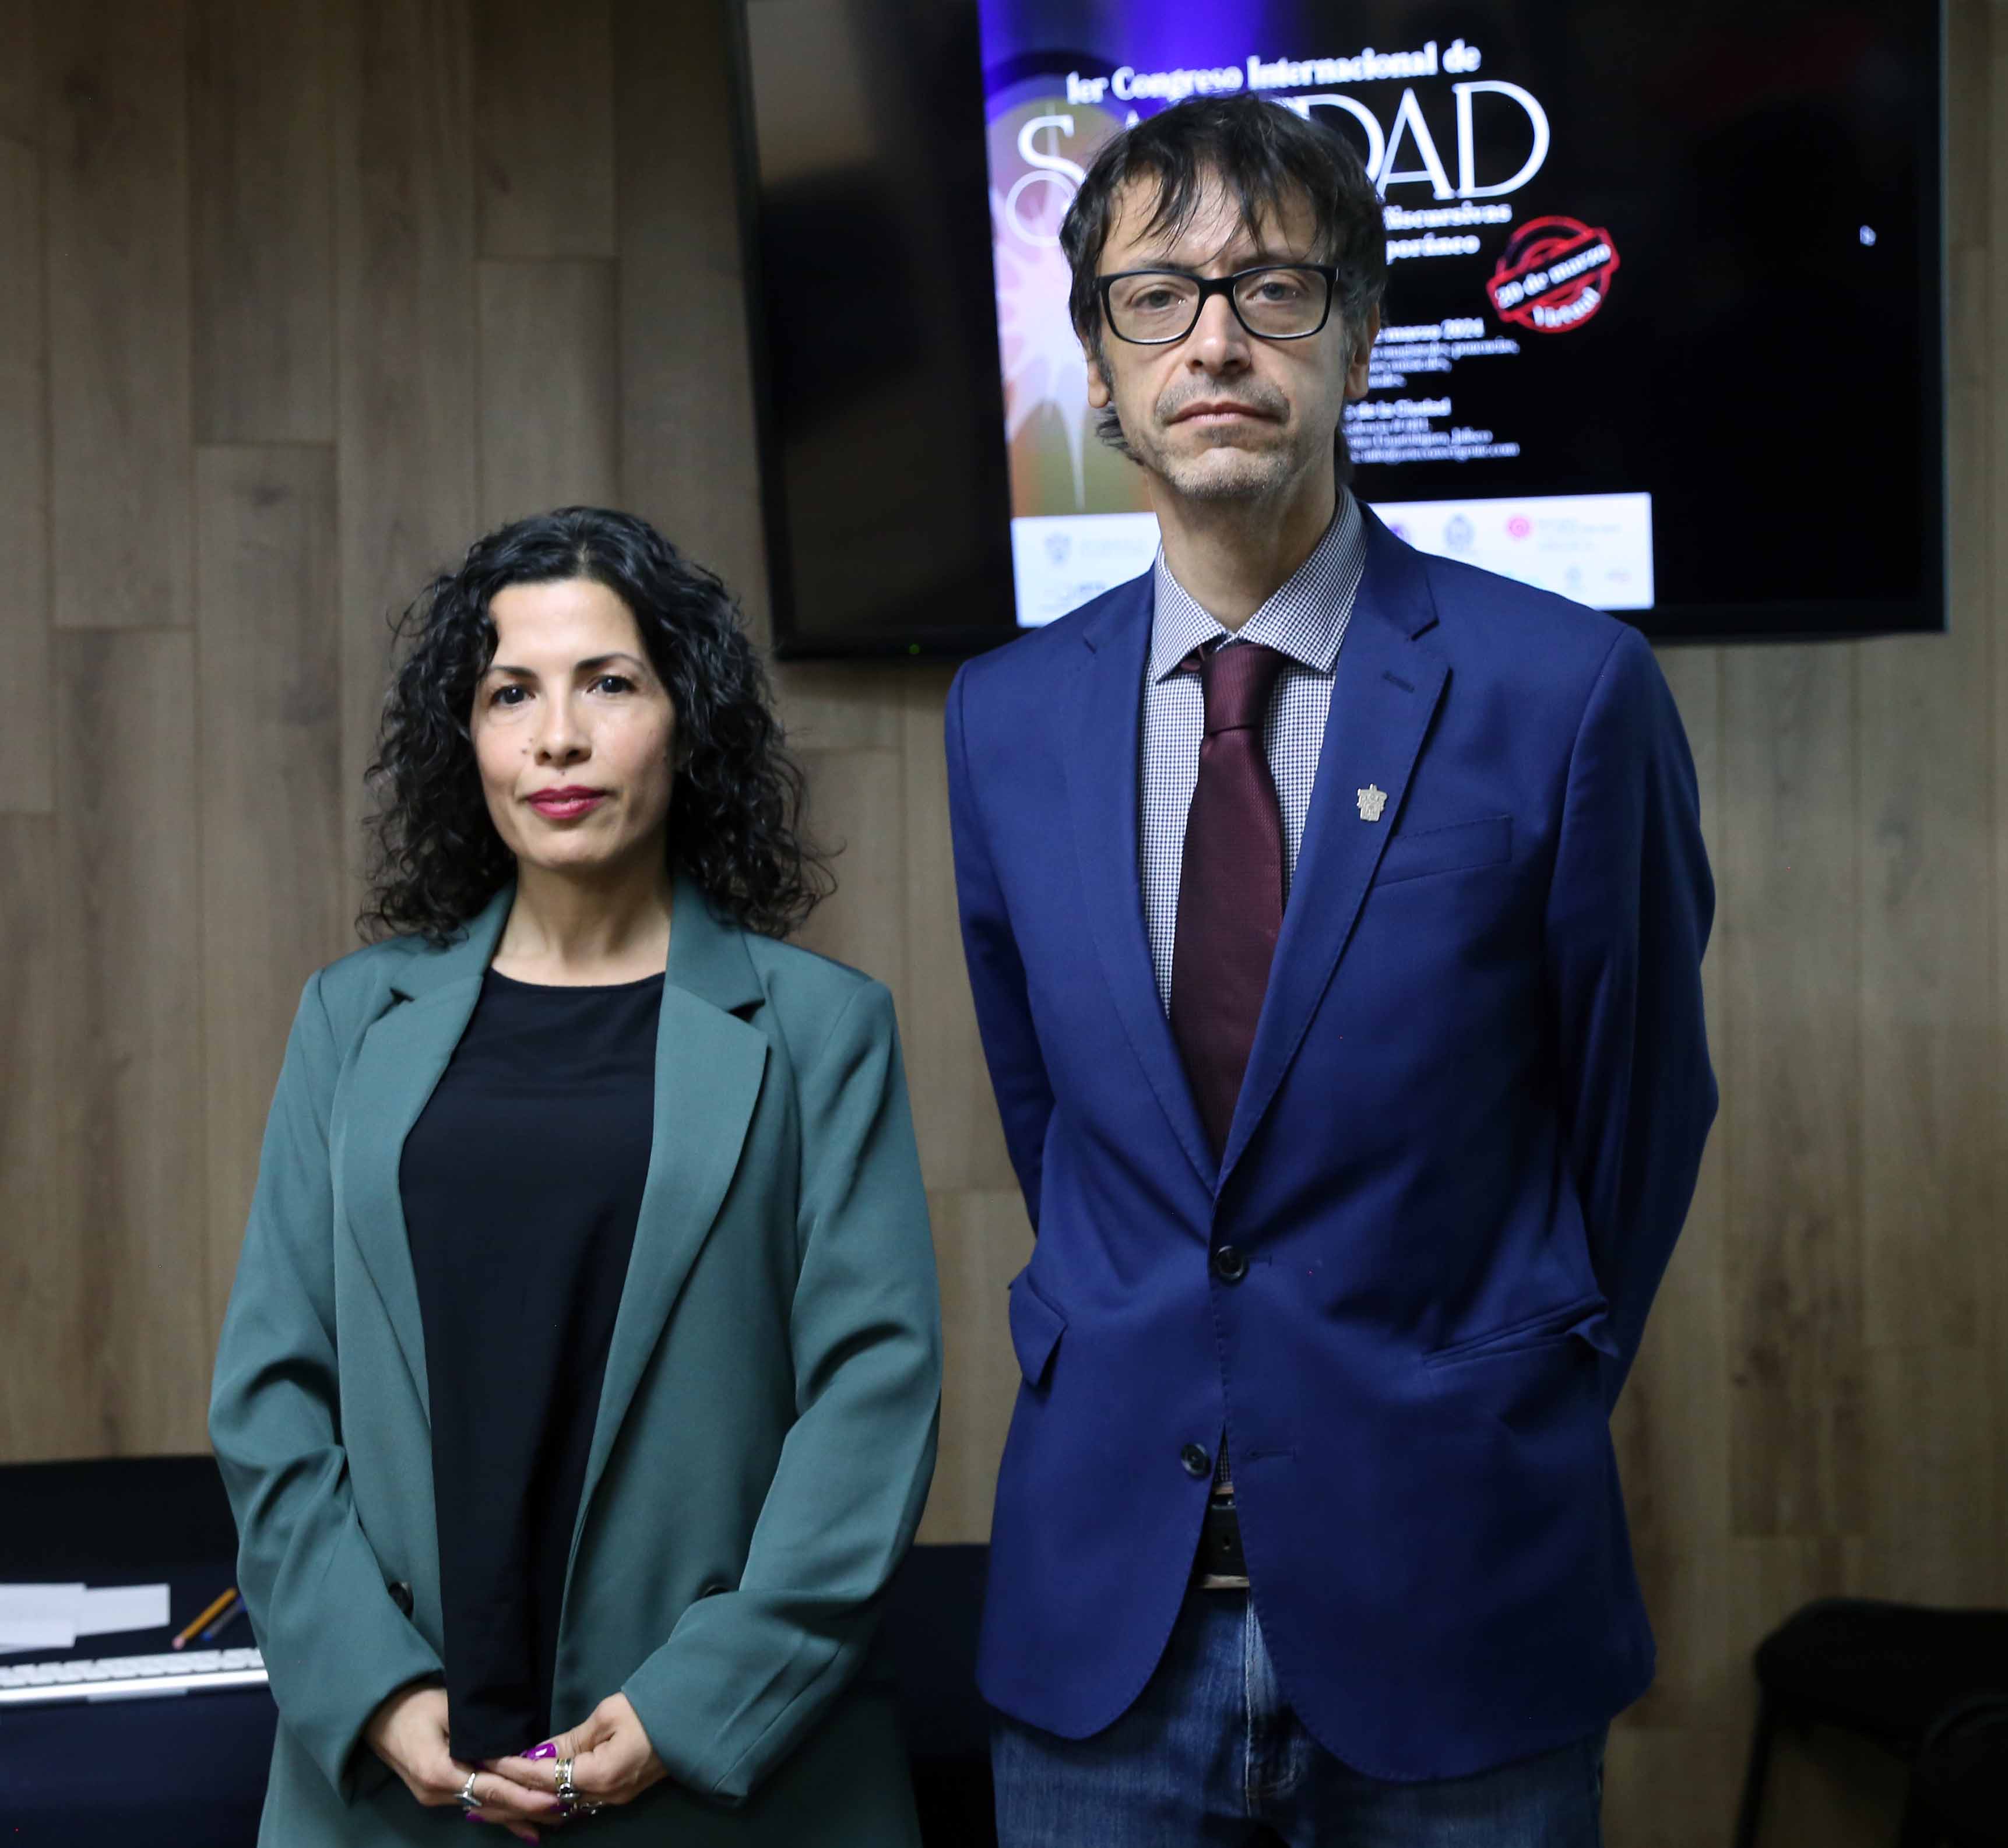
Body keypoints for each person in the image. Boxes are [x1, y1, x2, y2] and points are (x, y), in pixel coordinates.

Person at [945, 95, 1717, 1846]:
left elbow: (1639, 1121)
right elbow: (1062, 1129)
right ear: (1100, 366)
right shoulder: (1004, 718)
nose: (1214, 339)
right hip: (1105, 1627)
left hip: (1458, 1592)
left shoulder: (1567, 692)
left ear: (1359, 339)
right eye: (1156, 297)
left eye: (1273, 288)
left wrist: (1493, 1389)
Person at [210, 507, 941, 1845]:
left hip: (728, 1775)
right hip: (392, 1777)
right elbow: (271, 1391)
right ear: (466, 737)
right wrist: (371, 1686)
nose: (556, 735)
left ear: (687, 720)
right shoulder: (350, 1018)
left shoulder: (821, 1028)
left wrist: (695, 1702)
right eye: (511, 693)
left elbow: (870, 1399)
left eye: (608, 682)